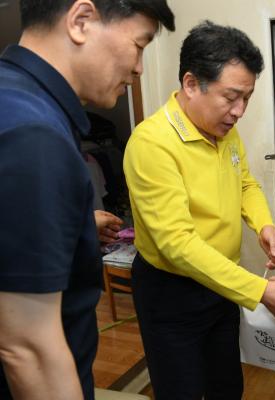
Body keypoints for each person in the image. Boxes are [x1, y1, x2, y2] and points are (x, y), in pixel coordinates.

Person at [123, 21, 275, 400]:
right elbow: (177, 244)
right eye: (231, 97)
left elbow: (245, 183)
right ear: (192, 83)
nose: (240, 111)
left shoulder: (224, 131)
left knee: (226, 385)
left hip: (222, 282)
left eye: (246, 98)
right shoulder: (152, 144)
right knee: (182, 390)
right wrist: (261, 291)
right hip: (172, 293)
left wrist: (264, 226)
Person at [0, 1, 174, 399]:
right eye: (140, 45)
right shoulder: (33, 134)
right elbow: (29, 350)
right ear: (81, 21)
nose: (139, 68)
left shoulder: (13, 99)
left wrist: (75, 224)